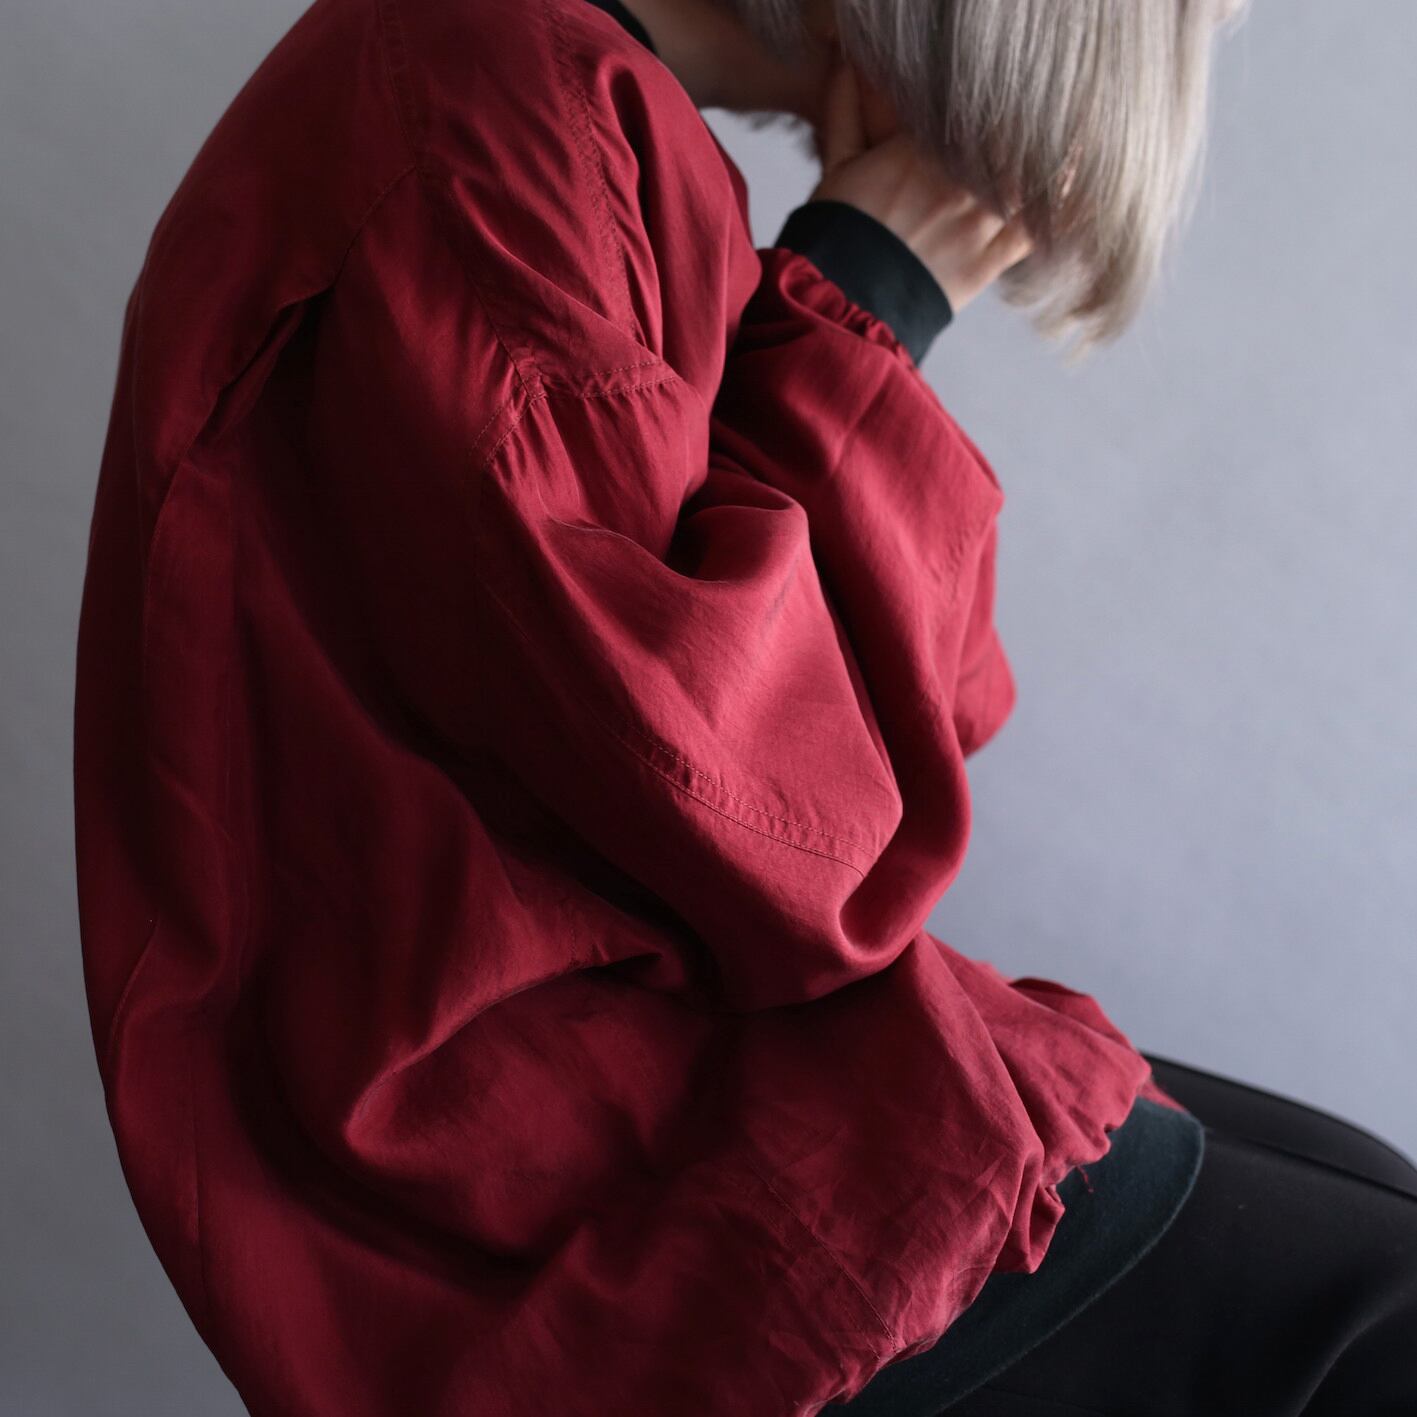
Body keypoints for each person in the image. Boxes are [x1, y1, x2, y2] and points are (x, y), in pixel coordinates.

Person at [71, 0, 1417, 1412]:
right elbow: (777, 822)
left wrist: (851, 300)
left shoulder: (579, 109)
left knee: (1365, 1194)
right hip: (549, 1167)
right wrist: (871, 299)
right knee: (1378, 1310)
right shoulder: (487, 113)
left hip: (651, 1056)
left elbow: (884, 732)